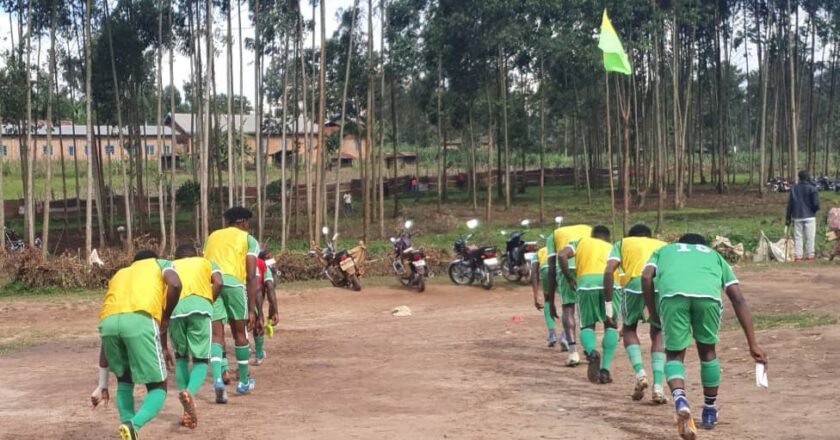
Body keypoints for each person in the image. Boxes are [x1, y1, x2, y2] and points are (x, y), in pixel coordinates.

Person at [642, 234, 768, 439]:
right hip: (708, 298)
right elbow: (737, 297)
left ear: (680, 244)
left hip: (672, 296)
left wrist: (653, 312)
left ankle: (680, 400)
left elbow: (647, 277)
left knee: (674, 355)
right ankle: (709, 411)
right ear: (703, 246)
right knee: (708, 352)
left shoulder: (664, 250)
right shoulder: (714, 255)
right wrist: (752, 343)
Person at [93, 250, 182, 440]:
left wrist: (102, 383)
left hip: (108, 322)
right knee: (158, 386)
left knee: (124, 379)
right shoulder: (161, 264)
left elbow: (104, 343)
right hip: (139, 318)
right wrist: (166, 316)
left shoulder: (121, 273)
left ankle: (128, 431)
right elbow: (175, 283)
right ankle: (133, 424)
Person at [603, 224, 668, 404]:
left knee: (630, 329)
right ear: (650, 236)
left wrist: (608, 305)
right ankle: (658, 387)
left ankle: (640, 373)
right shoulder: (662, 245)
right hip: (659, 287)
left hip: (633, 287)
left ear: (631, 235)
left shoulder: (622, 243)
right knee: (658, 331)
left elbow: (609, 270)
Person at [205, 207, 261, 403]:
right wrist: (253, 309)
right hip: (234, 285)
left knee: (216, 336)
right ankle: (243, 381)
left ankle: (218, 381)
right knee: (240, 334)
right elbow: (252, 274)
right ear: (243, 222)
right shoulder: (248, 239)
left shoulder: (212, 236)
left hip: (212, 284)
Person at [558, 225, 620, 384]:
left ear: (592, 235)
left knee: (587, 326)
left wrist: (569, 278)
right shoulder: (613, 247)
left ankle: (592, 352)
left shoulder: (580, 242)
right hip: (611, 284)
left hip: (586, 284)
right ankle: (605, 371)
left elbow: (562, 255)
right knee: (611, 325)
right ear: (608, 237)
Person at [171, 243, 223, 429]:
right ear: (196, 255)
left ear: (177, 256)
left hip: (175, 311)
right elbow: (218, 282)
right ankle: (189, 393)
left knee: (181, 358)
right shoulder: (206, 262)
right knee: (201, 360)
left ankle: (186, 410)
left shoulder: (171, 265)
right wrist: (209, 300)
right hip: (200, 309)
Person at [546, 223, 592, 367]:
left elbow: (552, 269)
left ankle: (573, 353)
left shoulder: (553, 235)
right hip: (587, 268)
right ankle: (589, 350)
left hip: (566, 267)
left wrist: (551, 300)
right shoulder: (589, 229)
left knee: (568, 308)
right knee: (586, 311)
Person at [530, 246, 567, 349]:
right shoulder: (563, 249)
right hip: (560, 267)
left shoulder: (539, 252)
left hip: (545, 268)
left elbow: (534, 273)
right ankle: (565, 336)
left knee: (548, 300)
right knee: (567, 303)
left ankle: (552, 335)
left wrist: (535, 296)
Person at [252, 249, 280, 365]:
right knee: (258, 322)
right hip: (254, 298)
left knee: (239, 327)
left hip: (236, 295)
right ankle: (258, 354)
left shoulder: (238, 261)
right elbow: (270, 288)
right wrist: (275, 311)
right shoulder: (261, 264)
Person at [786, 169, 820, 261]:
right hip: (810, 216)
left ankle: (798, 257)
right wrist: (814, 210)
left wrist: (788, 218)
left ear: (799, 178)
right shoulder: (812, 188)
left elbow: (790, 204)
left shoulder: (794, 188)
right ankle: (810, 256)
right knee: (810, 237)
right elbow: (816, 204)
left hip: (797, 216)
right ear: (808, 177)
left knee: (798, 237)